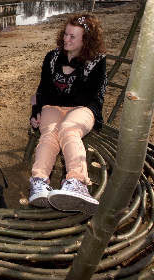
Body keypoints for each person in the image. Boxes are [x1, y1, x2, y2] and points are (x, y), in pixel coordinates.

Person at [28, 13, 107, 216]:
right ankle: (39, 182)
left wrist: (75, 70)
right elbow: (41, 90)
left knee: (68, 128)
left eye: (73, 37)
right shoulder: (52, 57)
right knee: (49, 134)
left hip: (84, 109)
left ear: (86, 41)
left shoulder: (96, 62)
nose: (66, 39)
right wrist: (35, 111)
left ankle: (77, 182)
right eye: (66, 34)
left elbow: (85, 97)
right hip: (52, 108)